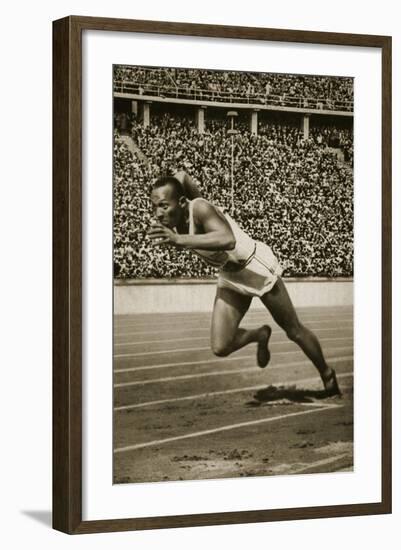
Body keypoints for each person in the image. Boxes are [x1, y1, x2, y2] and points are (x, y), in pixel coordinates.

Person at [148, 172, 341, 396]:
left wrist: (179, 240)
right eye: (154, 207)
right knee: (220, 346)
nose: (158, 213)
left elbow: (228, 239)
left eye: (163, 206)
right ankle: (258, 334)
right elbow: (181, 175)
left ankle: (327, 375)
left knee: (294, 330)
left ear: (181, 202)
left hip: (254, 266)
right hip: (231, 277)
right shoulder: (176, 220)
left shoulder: (199, 208)